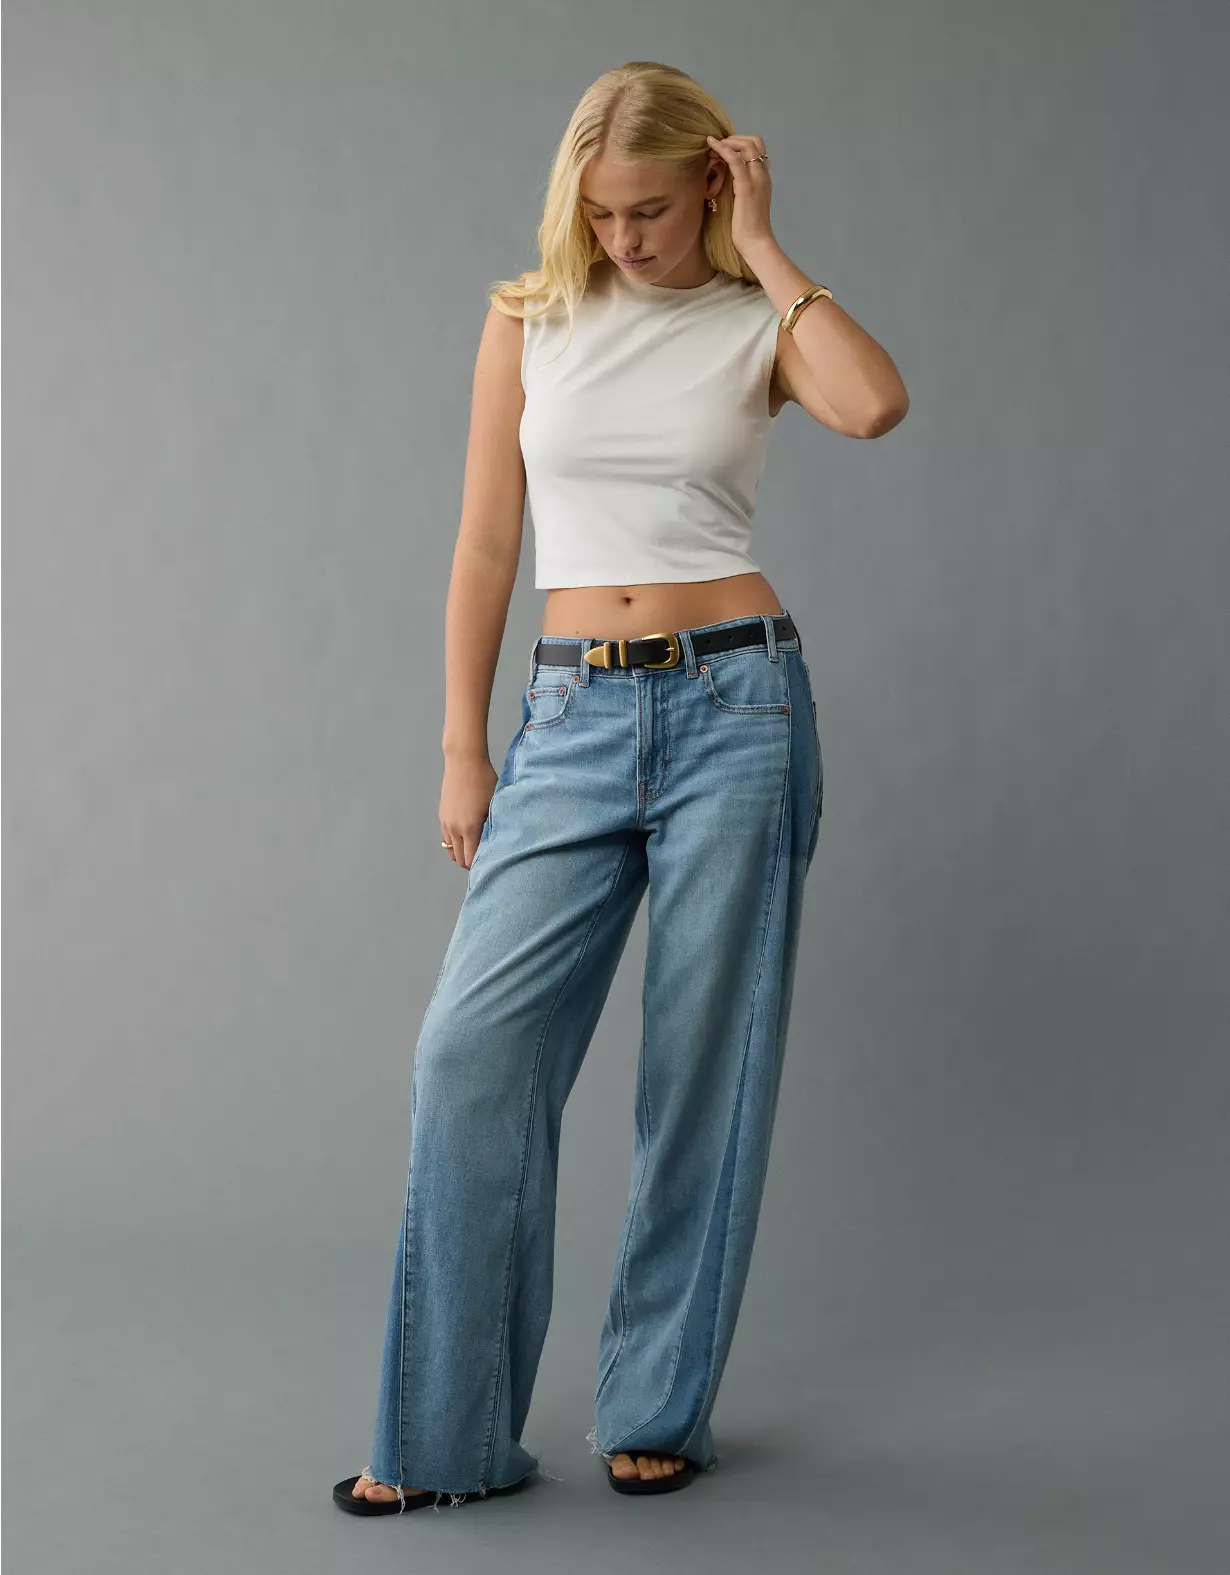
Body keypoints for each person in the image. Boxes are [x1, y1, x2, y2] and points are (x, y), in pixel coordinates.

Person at [334, 60, 908, 1517]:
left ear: (709, 184)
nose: (622, 239)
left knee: (702, 1072)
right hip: (570, 714)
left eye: (649, 210)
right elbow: (485, 544)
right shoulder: (531, 318)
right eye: (598, 213)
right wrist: (464, 744)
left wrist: (764, 247)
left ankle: (657, 1406)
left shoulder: (756, 319)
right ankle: (447, 1438)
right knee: (470, 1054)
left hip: (738, 706)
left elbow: (873, 405)